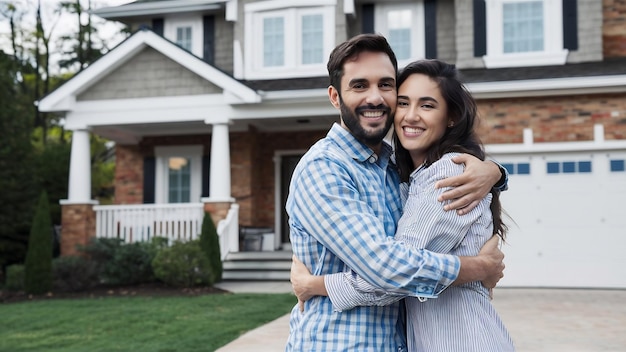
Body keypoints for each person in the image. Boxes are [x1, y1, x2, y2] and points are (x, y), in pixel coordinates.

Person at [285, 34, 507, 351]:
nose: (375, 98)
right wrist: (477, 268)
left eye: (387, 85)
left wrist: (495, 172)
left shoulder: (396, 170)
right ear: (335, 97)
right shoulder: (324, 169)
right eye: (359, 86)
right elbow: (385, 268)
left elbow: (401, 261)